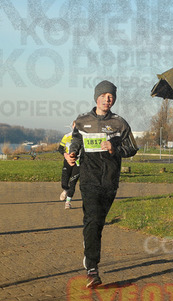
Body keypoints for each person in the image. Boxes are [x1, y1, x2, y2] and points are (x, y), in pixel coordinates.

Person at [68, 81, 139, 288]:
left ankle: (89, 244)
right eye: (104, 95)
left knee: (98, 222)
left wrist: (114, 149)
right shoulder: (82, 121)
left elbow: (132, 148)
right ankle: (92, 269)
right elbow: (75, 141)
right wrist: (72, 153)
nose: (107, 99)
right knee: (92, 219)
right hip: (89, 178)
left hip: (109, 180)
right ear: (96, 97)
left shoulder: (120, 123)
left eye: (111, 96)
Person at [58, 121, 80, 209]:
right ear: (72, 126)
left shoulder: (83, 137)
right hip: (67, 161)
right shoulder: (67, 136)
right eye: (75, 126)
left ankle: (68, 202)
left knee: (73, 183)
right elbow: (60, 148)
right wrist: (65, 154)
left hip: (78, 162)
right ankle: (65, 190)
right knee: (64, 183)